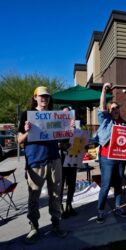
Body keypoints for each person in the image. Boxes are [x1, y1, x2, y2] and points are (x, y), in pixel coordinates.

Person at [18, 86, 68, 244]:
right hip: (35, 161)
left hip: (54, 159)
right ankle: (34, 227)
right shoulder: (27, 115)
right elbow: (19, 140)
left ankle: (56, 223)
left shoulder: (55, 115)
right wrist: (26, 131)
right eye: (41, 96)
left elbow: (63, 140)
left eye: (46, 96)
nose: (44, 99)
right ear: (35, 98)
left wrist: (69, 130)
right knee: (34, 196)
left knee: (56, 194)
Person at [94, 82, 126, 224]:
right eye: (112, 108)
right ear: (109, 111)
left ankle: (118, 206)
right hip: (107, 158)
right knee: (106, 185)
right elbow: (102, 106)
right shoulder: (105, 120)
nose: (115, 110)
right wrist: (103, 89)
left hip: (120, 158)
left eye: (117, 108)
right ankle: (100, 210)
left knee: (119, 183)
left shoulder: (123, 124)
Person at [59, 106, 78, 219]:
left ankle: (69, 204)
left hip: (72, 158)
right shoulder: (56, 127)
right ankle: (60, 206)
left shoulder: (74, 126)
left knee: (72, 183)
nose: (67, 115)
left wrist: (74, 130)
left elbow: (80, 140)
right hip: (61, 158)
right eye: (64, 113)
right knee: (60, 184)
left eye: (68, 113)